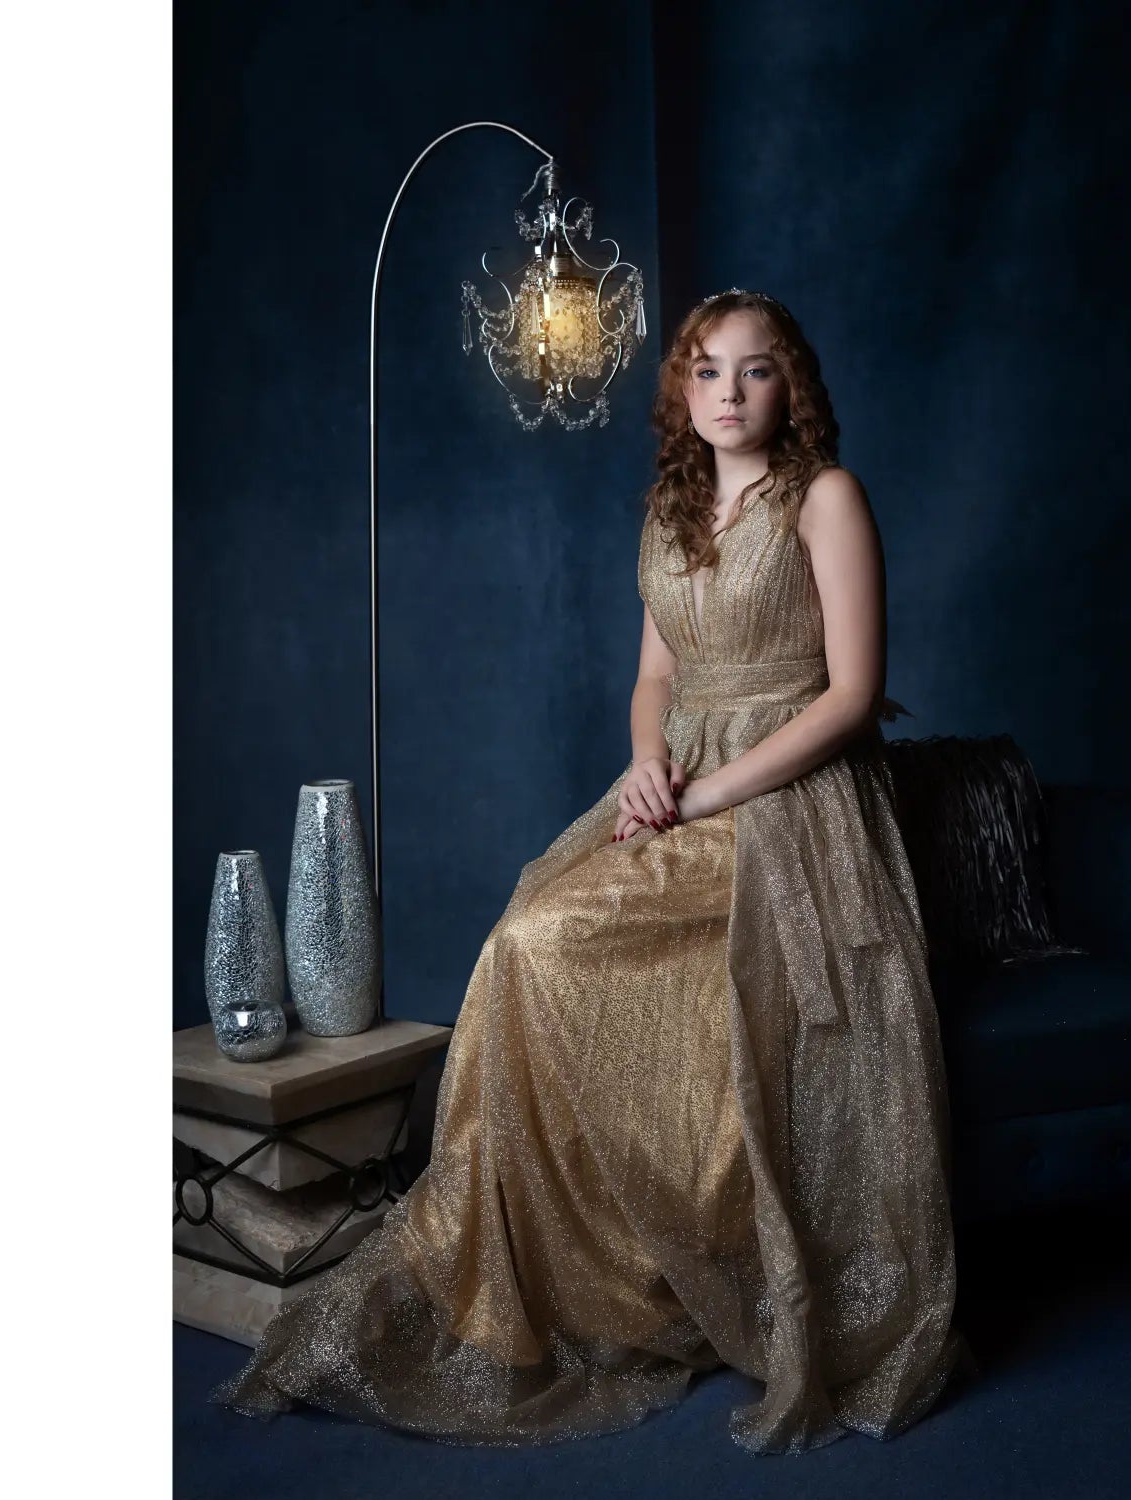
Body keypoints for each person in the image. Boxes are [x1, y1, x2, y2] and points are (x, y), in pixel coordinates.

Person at [211, 288, 969, 1454]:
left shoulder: (826, 498)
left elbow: (857, 696)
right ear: (682, 390)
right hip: (681, 778)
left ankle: (665, 1259)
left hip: (799, 799)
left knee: (557, 945)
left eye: (754, 372)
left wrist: (714, 793)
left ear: (792, 387)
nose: (729, 393)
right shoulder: (669, 508)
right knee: (528, 934)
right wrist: (648, 764)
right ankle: (563, 1280)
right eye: (707, 372)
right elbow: (656, 677)